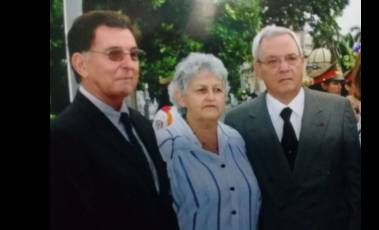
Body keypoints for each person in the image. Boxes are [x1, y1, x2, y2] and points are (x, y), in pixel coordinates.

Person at [50, 11, 179, 230]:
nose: (129, 64)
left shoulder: (142, 126)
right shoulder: (61, 138)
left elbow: (161, 205)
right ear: (81, 64)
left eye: (134, 54)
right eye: (114, 54)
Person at [224, 25, 361, 230]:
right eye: (272, 61)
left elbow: (356, 187)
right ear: (258, 69)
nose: (284, 67)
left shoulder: (338, 110)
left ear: (303, 61)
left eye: (291, 58)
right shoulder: (237, 121)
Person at [155, 52, 261, 230]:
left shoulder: (236, 140)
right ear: (181, 97)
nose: (211, 97)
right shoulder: (165, 145)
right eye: (201, 90)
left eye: (217, 89)